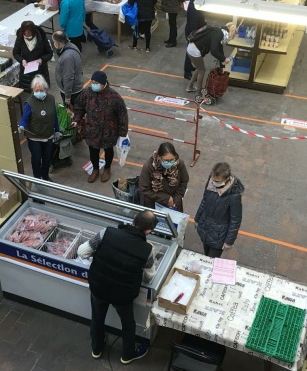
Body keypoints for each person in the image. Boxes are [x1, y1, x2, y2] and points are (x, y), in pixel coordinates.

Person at [77, 210, 158, 364]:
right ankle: (127, 354)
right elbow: (149, 276)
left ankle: (96, 348)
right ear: (148, 231)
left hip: (98, 287)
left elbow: (82, 252)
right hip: (123, 294)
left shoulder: (107, 232)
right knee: (128, 323)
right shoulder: (147, 249)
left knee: (97, 317)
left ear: (134, 219)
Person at [72, 71, 128, 183]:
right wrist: (76, 120)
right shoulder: (87, 93)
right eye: (92, 82)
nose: (94, 84)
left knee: (108, 150)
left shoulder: (114, 97)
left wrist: (122, 133)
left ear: (103, 83)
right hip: (92, 130)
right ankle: (95, 170)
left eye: (96, 82)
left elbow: (122, 116)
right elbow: (79, 107)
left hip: (109, 132)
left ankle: (107, 169)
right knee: (93, 151)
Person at [194, 162, 243, 258]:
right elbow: (204, 200)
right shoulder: (210, 183)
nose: (215, 183)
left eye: (218, 181)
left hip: (219, 235)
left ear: (227, 179)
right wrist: (197, 218)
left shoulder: (234, 196)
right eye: (213, 180)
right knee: (206, 254)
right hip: (205, 227)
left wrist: (229, 241)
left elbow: (235, 220)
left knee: (212, 260)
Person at [19, 75, 61, 181]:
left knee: (47, 158)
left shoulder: (51, 99)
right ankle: (37, 178)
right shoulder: (29, 103)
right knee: (37, 158)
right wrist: (22, 125)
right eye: (36, 90)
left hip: (48, 135)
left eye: (41, 90)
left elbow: (54, 116)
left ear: (46, 90)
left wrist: (57, 130)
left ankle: (45, 176)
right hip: (34, 137)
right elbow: (25, 117)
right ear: (33, 90)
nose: (39, 92)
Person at [139, 142, 189, 212]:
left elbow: (184, 181)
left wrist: (175, 199)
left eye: (172, 160)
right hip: (154, 204)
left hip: (174, 204)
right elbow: (145, 189)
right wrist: (166, 199)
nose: (169, 163)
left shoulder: (179, 164)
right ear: (159, 157)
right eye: (166, 160)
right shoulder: (149, 167)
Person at [186, 26, 231, 94]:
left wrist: (222, 66)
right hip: (194, 51)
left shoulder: (218, 32)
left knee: (199, 68)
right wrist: (224, 59)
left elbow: (220, 50)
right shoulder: (218, 35)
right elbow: (214, 51)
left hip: (191, 47)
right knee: (202, 70)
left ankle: (190, 86)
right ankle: (199, 93)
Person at [13, 21, 53, 93]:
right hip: (26, 73)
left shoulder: (41, 37)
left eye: (29, 33)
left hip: (41, 70)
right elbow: (16, 53)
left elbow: (49, 53)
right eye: (25, 33)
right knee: (28, 92)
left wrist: (41, 60)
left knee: (41, 90)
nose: (26, 35)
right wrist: (22, 60)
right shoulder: (20, 38)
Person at [52, 31, 84, 107]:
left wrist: (67, 97)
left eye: (54, 42)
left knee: (71, 114)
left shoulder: (67, 57)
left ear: (57, 43)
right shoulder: (72, 46)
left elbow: (68, 78)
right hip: (76, 86)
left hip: (72, 92)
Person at [183, 0, 206, 79]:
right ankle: (187, 72)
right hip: (192, 32)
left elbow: (200, 18)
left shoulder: (196, 4)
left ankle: (189, 67)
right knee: (190, 51)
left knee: (191, 50)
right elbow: (192, 22)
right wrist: (194, 35)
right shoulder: (194, 5)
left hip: (194, 30)